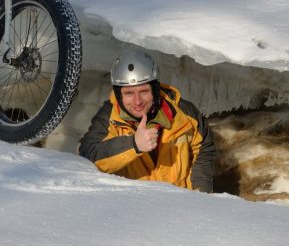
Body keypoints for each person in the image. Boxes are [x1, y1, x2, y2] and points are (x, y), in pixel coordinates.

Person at [79, 49, 216, 192]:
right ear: (119, 95)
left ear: (155, 89)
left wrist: (200, 193)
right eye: (129, 93)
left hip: (179, 206)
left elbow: (204, 149)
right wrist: (133, 144)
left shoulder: (184, 113)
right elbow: (88, 159)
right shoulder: (108, 118)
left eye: (144, 91)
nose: (137, 101)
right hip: (135, 207)